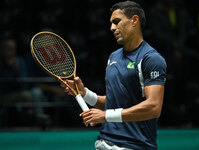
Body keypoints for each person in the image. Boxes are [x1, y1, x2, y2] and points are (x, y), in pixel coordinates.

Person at [61, 1, 167, 150]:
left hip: (133, 146)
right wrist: (85, 93)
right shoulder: (114, 57)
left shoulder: (150, 58)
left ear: (134, 20)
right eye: (111, 23)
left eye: (117, 22)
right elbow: (114, 102)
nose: (112, 28)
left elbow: (153, 107)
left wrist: (105, 116)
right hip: (104, 142)